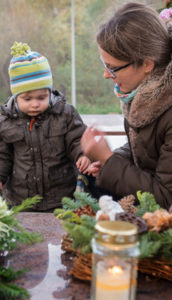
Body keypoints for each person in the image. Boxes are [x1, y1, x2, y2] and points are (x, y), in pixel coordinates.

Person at [81, 2, 172, 210]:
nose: (106, 75)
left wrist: (109, 160)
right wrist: (107, 161)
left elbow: (165, 198)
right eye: (105, 65)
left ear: (147, 64)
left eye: (113, 68)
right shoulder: (143, 94)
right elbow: (146, 152)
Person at [0, 41, 91, 211]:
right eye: (27, 99)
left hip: (61, 195)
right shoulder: (5, 122)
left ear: (49, 92)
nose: (35, 104)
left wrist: (83, 155)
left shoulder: (64, 114)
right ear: (16, 96)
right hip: (22, 198)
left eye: (41, 97)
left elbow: (77, 139)